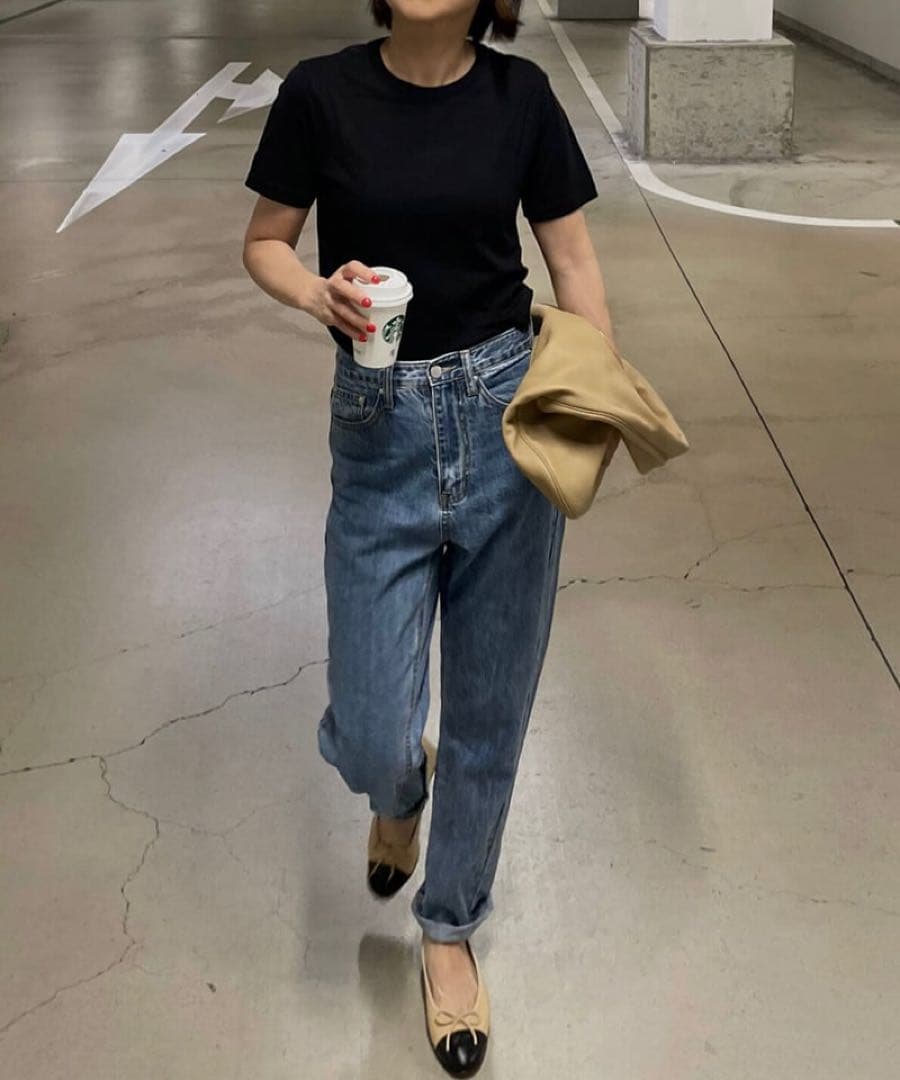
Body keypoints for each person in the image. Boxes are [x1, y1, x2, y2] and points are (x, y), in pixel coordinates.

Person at [242, 1, 615, 1073]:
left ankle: (448, 931)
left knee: (491, 713)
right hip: (380, 429)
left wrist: (588, 398)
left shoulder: (520, 97)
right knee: (371, 728)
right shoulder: (321, 93)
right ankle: (399, 793)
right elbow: (264, 241)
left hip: (505, 415)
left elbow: (574, 263)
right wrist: (316, 292)